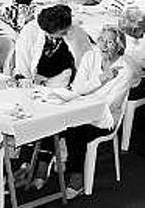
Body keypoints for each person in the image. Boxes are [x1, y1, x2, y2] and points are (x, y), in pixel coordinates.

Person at [54, 27, 139, 198]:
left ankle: (76, 178)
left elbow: (108, 104)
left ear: (119, 46)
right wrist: (100, 79)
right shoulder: (90, 57)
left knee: (75, 128)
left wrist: (84, 96)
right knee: (54, 117)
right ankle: (55, 159)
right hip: (80, 109)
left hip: (104, 119)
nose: (104, 46)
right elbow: (77, 88)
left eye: (110, 42)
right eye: (102, 40)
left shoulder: (126, 69)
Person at [14, 5, 88, 88]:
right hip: (38, 77)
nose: (67, 33)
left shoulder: (75, 30)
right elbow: (23, 60)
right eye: (62, 33)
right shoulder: (29, 32)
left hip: (65, 77)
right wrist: (25, 79)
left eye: (67, 30)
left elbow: (85, 58)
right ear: (48, 32)